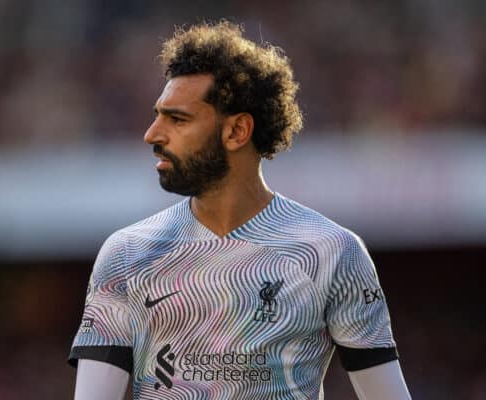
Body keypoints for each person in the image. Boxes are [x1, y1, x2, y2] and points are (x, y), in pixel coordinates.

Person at [69, 21, 412, 400]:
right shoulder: (127, 254)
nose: (153, 134)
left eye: (177, 119)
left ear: (237, 132)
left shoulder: (331, 252)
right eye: (158, 115)